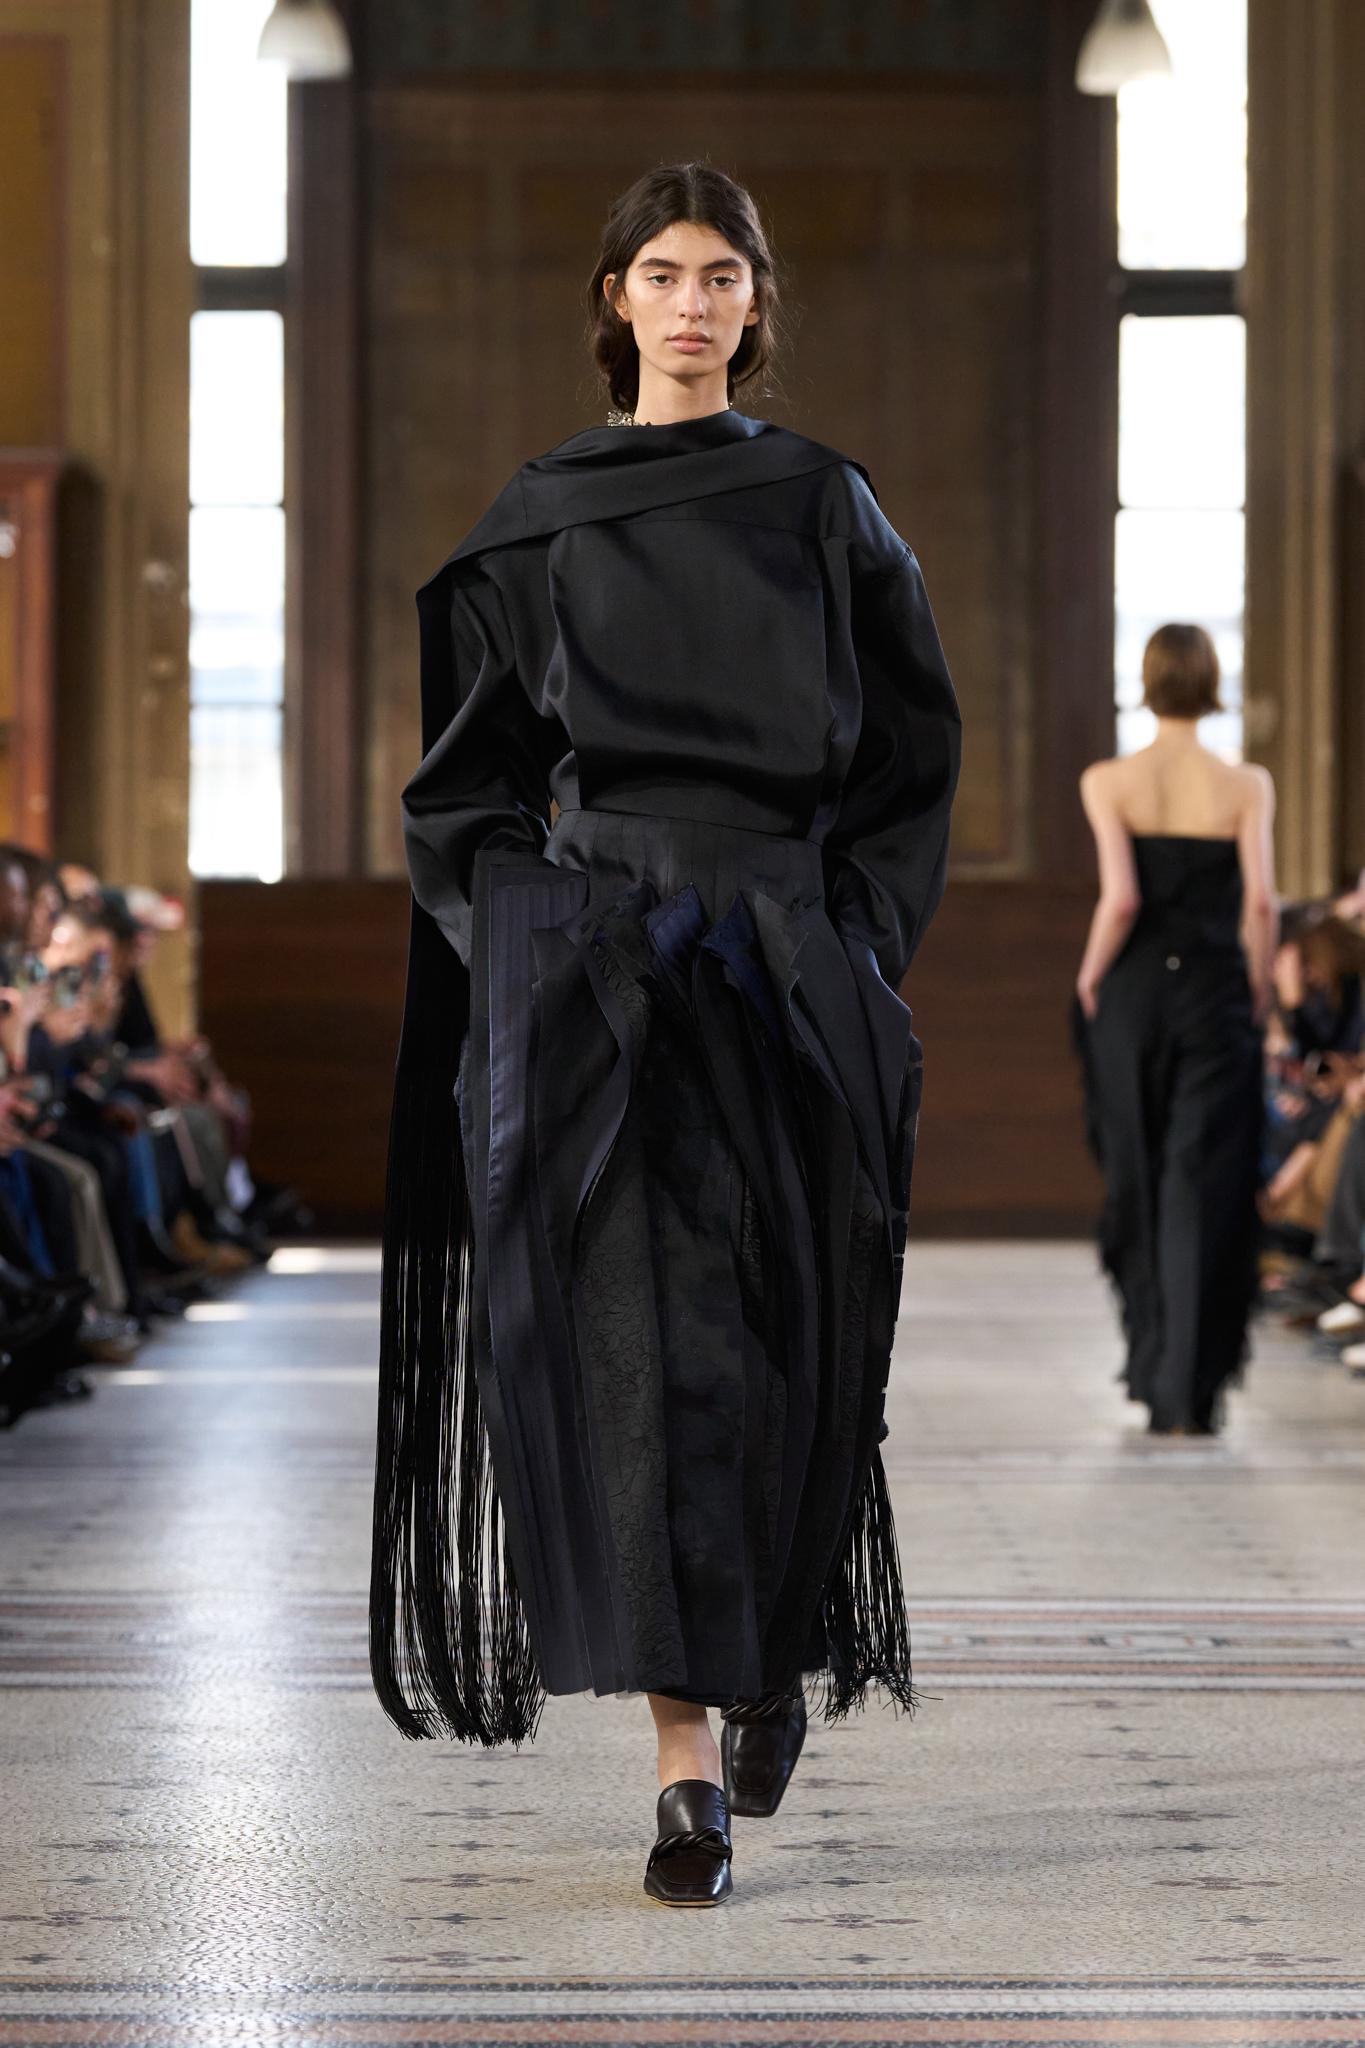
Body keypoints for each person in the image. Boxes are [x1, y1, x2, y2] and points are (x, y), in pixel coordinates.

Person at [369, 161, 963, 1906]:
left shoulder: (824, 506)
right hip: (603, 982)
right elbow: (463, 791)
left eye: (721, 274)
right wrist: (533, 937)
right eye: (662, 272)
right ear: (615, 297)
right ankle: (682, 1766)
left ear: (755, 303)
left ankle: (764, 1656)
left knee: (787, 1358)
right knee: (635, 1361)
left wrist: (852, 939)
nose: (692, 302)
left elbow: (912, 754)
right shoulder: (540, 520)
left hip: (785, 971)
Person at [1071, 623, 1276, 1439]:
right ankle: (1191, 1391)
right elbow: (1259, 902)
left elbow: (1120, 900)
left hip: (1133, 997)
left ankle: (1150, 1368)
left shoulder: (1107, 780)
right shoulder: (1246, 784)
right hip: (1214, 994)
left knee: (1137, 1172)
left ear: (1148, 681)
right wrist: (1257, 988)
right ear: (1211, 680)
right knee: (1202, 1183)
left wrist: (1089, 976)